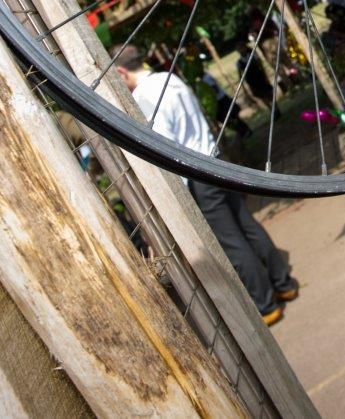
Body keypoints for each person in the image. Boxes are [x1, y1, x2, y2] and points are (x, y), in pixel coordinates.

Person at [110, 43, 298, 325]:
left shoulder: (144, 97)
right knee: (246, 224)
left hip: (197, 174)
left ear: (121, 72)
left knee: (231, 241)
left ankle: (265, 304)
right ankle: (283, 283)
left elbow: (166, 146)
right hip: (215, 159)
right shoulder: (168, 78)